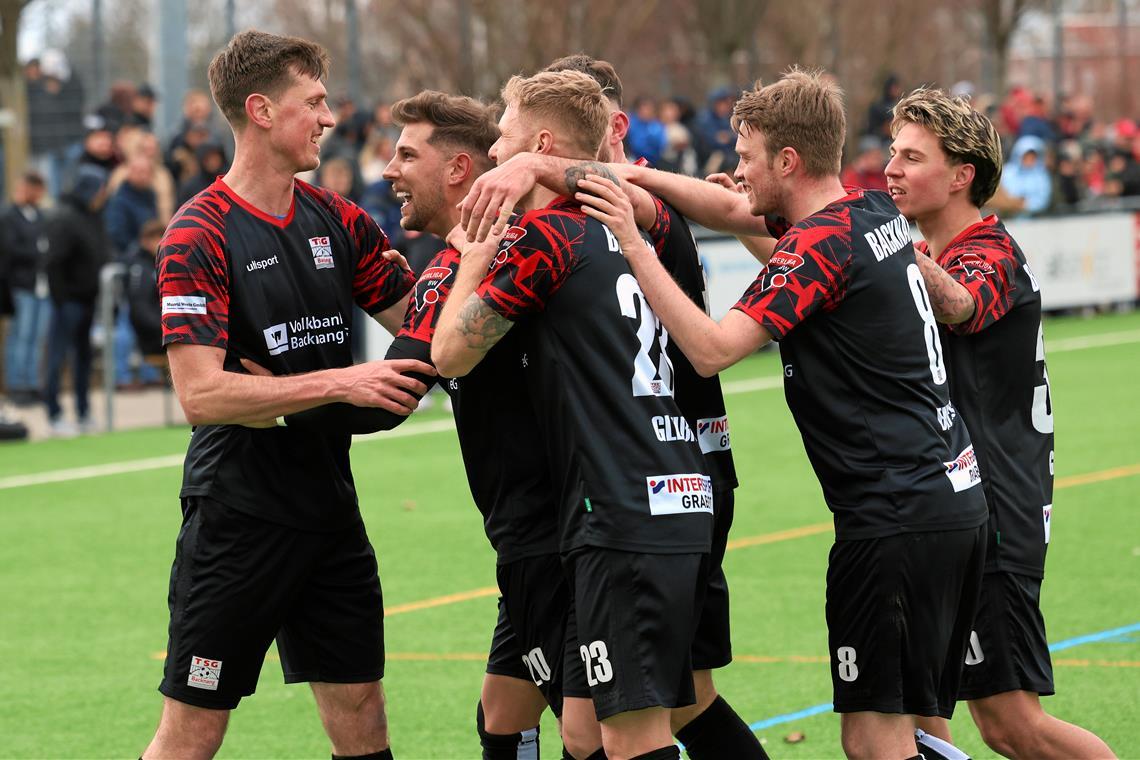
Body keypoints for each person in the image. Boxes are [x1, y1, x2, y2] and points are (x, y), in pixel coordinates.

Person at [577, 68, 989, 760]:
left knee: (873, 741)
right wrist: (637, 181)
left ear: (788, 161)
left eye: (744, 157)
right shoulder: (869, 213)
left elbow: (709, 351)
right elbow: (754, 229)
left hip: (892, 519)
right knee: (919, 731)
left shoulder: (817, 246)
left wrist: (633, 238)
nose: (733, 173)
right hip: (951, 505)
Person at [458, 51, 768, 760]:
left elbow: (452, 353)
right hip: (614, 486)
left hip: (642, 485)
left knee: (657, 711)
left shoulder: (630, 208)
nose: (496, 151)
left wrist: (529, 177)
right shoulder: (598, 212)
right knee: (547, 709)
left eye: (509, 137)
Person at [141, 30, 432, 759]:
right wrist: (342, 380)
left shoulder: (338, 220)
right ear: (262, 110)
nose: (330, 118)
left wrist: (471, 245)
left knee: (363, 709)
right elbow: (201, 396)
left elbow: (422, 327)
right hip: (239, 516)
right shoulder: (197, 233)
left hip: (329, 507)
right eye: (315, 102)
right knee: (194, 728)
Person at [886, 87, 1117, 760]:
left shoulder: (988, 252)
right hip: (940, 508)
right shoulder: (928, 252)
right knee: (915, 714)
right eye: (893, 153)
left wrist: (887, 246)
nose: (892, 169)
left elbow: (959, 304)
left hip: (993, 513)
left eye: (912, 157)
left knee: (1013, 725)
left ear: (961, 176)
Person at [43, 164, 111, 436]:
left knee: (83, 358)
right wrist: (61, 299)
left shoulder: (94, 216)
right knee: (57, 357)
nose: (103, 194)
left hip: (88, 299)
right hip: (69, 301)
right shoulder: (65, 218)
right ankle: (54, 413)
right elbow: (53, 263)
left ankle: (83, 412)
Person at [2, 171, 50, 406]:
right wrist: (39, 252)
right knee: (19, 337)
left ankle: (32, 384)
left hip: (41, 285)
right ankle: (17, 385)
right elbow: (10, 249)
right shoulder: (10, 216)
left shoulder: (40, 216)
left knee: (36, 338)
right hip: (21, 285)